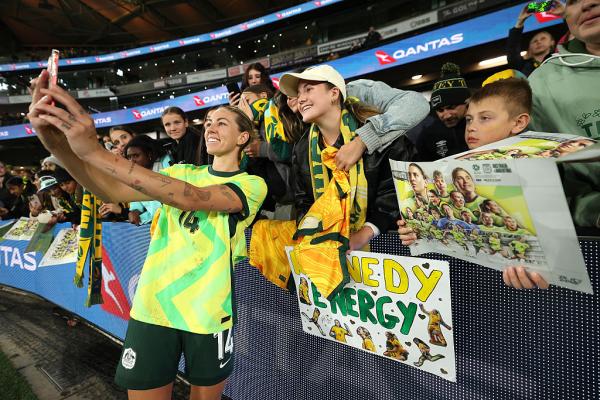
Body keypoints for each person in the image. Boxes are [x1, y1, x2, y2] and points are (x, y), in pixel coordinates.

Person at [28, 69, 267, 400]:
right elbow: (108, 187)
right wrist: (55, 140)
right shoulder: (181, 171)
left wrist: (95, 150)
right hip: (153, 307)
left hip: (208, 313)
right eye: (208, 121)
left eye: (222, 122)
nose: (210, 126)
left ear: (243, 138)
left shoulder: (252, 185)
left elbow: (190, 197)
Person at [399, 78, 547, 289]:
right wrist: (417, 231)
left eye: (484, 118)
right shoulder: (451, 169)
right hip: (471, 281)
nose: (471, 127)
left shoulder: (536, 166)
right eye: (469, 119)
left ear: (519, 122)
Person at [413, 63, 470, 160]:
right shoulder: (427, 135)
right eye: (440, 110)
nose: (446, 115)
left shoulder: (481, 126)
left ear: (466, 103)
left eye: (451, 107)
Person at [123, 135, 166, 225]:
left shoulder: (165, 165)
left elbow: (162, 211)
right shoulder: (134, 175)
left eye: (136, 155)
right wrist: (134, 211)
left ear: (149, 154)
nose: (132, 161)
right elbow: (136, 201)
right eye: (129, 157)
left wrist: (143, 217)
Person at [507, 5, 557, 76]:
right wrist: (520, 22)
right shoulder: (521, 66)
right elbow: (512, 50)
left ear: (552, 42)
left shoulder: (560, 59)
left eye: (543, 38)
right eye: (534, 41)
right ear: (529, 47)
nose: (538, 42)